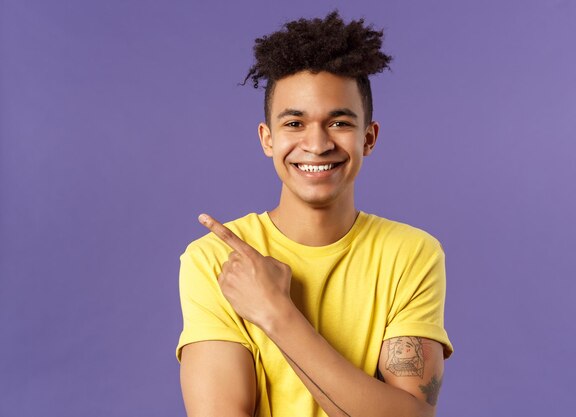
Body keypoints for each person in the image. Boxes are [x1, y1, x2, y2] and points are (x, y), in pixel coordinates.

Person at [176, 11, 453, 417]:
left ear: (368, 138)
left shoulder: (411, 253)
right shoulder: (214, 261)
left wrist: (277, 313)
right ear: (267, 139)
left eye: (339, 122)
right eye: (294, 123)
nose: (317, 143)